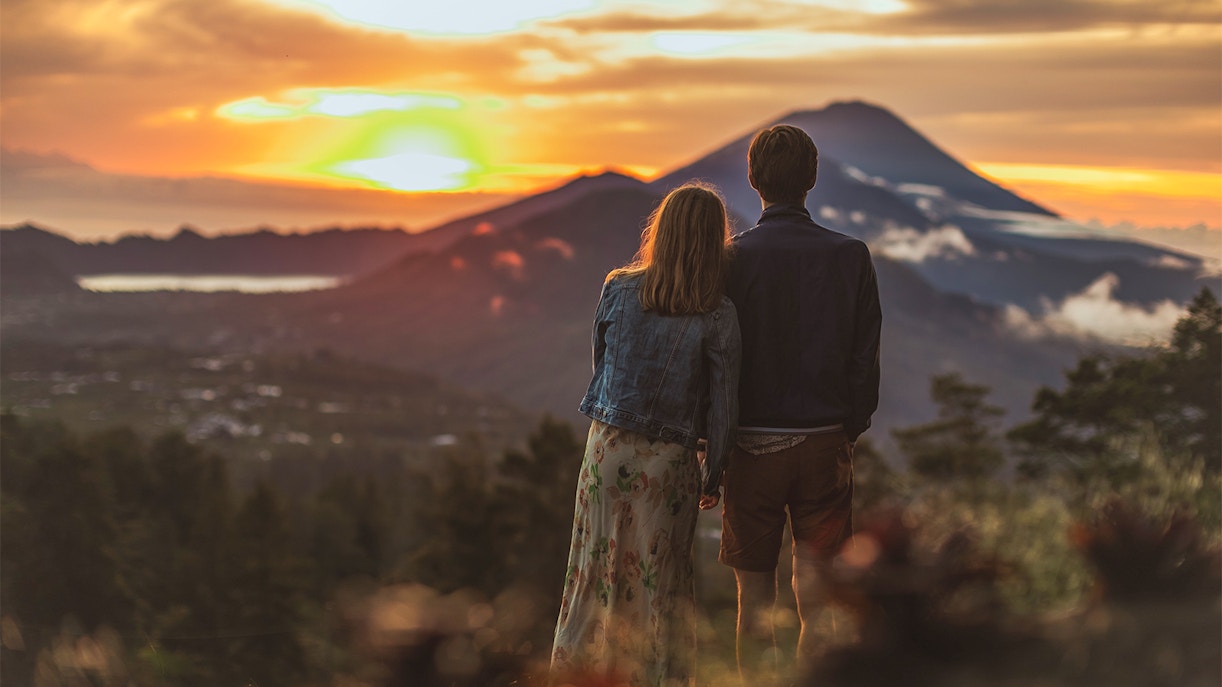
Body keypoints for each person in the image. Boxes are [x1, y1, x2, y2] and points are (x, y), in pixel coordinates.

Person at [550, 183, 741, 687]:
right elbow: (724, 406)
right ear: (713, 242)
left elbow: (604, 366)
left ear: (663, 231)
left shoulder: (618, 286)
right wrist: (714, 471)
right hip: (670, 465)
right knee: (660, 583)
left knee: (594, 573)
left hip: (606, 450)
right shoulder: (719, 315)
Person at [719, 124, 882, 682]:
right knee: (822, 600)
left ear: (753, 180)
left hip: (750, 448)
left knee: (754, 604)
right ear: (812, 178)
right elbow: (865, 357)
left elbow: (717, 362)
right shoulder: (851, 256)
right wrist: (847, 427)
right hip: (824, 443)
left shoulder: (731, 260)